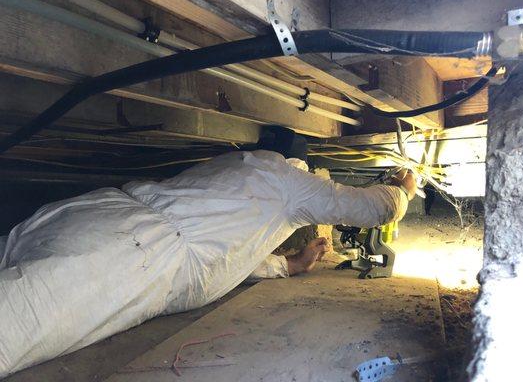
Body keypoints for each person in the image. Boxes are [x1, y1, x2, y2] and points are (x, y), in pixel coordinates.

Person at [0, 133, 416, 377]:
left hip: (93, 212)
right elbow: (371, 208)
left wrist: (287, 265)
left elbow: (228, 253)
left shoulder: (237, 166)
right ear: (301, 165)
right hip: (129, 254)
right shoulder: (291, 183)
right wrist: (403, 188)